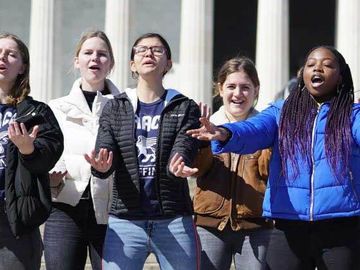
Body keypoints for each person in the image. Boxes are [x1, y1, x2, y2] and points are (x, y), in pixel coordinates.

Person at [187, 46, 360, 270]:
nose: (318, 68)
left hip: (341, 226)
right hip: (288, 226)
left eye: (327, 65)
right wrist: (225, 132)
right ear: (303, 74)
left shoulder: (352, 115)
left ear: (340, 76)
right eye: (311, 64)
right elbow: (254, 129)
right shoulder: (282, 112)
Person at [85, 32, 202, 270]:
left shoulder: (184, 106)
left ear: (168, 63)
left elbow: (185, 145)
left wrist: (177, 165)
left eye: (157, 50)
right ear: (132, 65)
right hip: (126, 220)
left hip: (173, 218)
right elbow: (105, 150)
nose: (149, 53)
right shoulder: (115, 107)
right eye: (141, 50)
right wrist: (101, 168)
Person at [44, 30, 120, 270]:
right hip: (64, 207)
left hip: (112, 212)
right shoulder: (54, 108)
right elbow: (47, 152)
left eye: (102, 54)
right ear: (77, 61)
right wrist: (53, 176)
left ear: (111, 63)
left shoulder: (126, 106)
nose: (94, 59)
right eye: (88, 53)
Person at [189, 57, 272, 270]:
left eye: (245, 87)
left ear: (256, 90)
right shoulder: (207, 125)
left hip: (256, 225)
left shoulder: (266, 128)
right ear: (220, 88)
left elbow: (268, 174)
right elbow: (199, 171)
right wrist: (203, 144)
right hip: (210, 224)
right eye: (231, 86)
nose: (238, 94)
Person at [0, 33, 63, 270]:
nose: (2, 57)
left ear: (22, 66)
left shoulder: (37, 112)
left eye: (11, 53)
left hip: (14, 220)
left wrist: (29, 150)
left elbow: (50, 154)